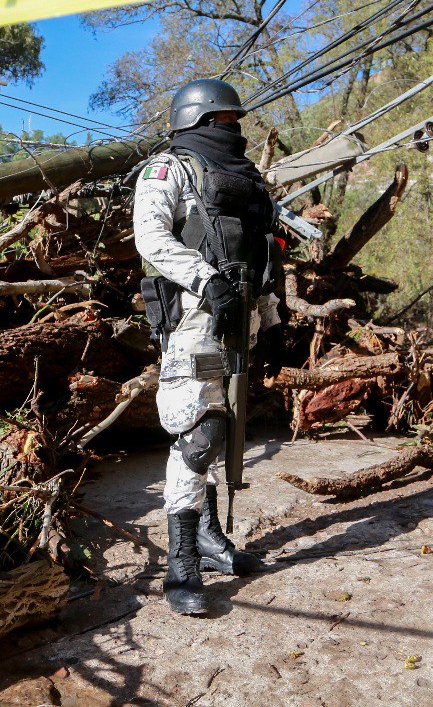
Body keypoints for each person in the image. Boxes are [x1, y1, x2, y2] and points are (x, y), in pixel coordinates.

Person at [133, 78, 281, 615]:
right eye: (225, 121)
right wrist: (205, 280)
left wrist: (269, 311)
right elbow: (151, 238)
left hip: (242, 317)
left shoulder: (247, 176)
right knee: (199, 434)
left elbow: (261, 245)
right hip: (198, 318)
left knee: (227, 423)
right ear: (198, 120)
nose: (235, 129)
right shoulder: (167, 169)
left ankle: (210, 537)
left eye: (237, 121)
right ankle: (181, 567)